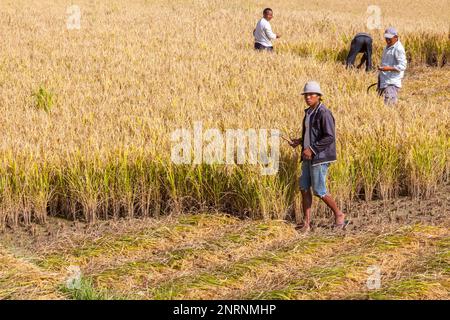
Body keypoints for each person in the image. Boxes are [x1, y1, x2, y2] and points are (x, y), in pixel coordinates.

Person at [289, 81, 347, 232]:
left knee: (319, 190)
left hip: (320, 157)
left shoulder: (324, 113)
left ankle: (339, 214)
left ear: (319, 96)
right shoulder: (308, 113)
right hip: (308, 156)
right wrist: (300, 141)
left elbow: (329, 137)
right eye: (306, 95)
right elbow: (313, 135)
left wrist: (312, 149)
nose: (308, 97)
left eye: (311, 95)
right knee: (303, 187)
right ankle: (307, 223)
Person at [378, 27, 407, 105]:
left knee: (389, 105)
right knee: (382, 103)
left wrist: (387, 69)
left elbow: (402, 66)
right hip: (384, 80)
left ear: (396, 37)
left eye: (389, 38)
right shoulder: (387, 47)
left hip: (391, 82)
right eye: (386, 37)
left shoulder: (398, 49)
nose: (387, 40)